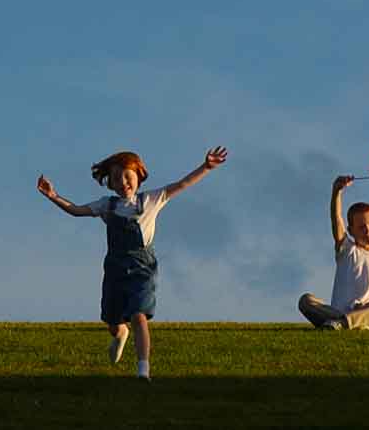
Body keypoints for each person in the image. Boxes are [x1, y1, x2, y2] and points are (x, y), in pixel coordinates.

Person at [37, 145, 228, 378]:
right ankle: (120, 335)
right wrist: (52, 196)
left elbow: (182, 184)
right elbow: (77, 210)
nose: (123, 182)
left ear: (139, 175)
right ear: (111, 183)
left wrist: (206, 167)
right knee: (113, 323)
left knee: (139, 315)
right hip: (115, 268)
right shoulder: (107, 205)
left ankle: (143, 370)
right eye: (117, 178)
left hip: (143, 269)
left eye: (128, 176)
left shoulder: (151, 200)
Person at [298, 173, 369, 331]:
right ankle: (351, 323)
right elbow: (337, 221)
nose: (368, 231)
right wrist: (337, 193)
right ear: (351, 231)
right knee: (305, 300)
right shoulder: (348, 250)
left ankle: (345, 323)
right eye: (362, 227)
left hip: (366, 312)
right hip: (338, 312)